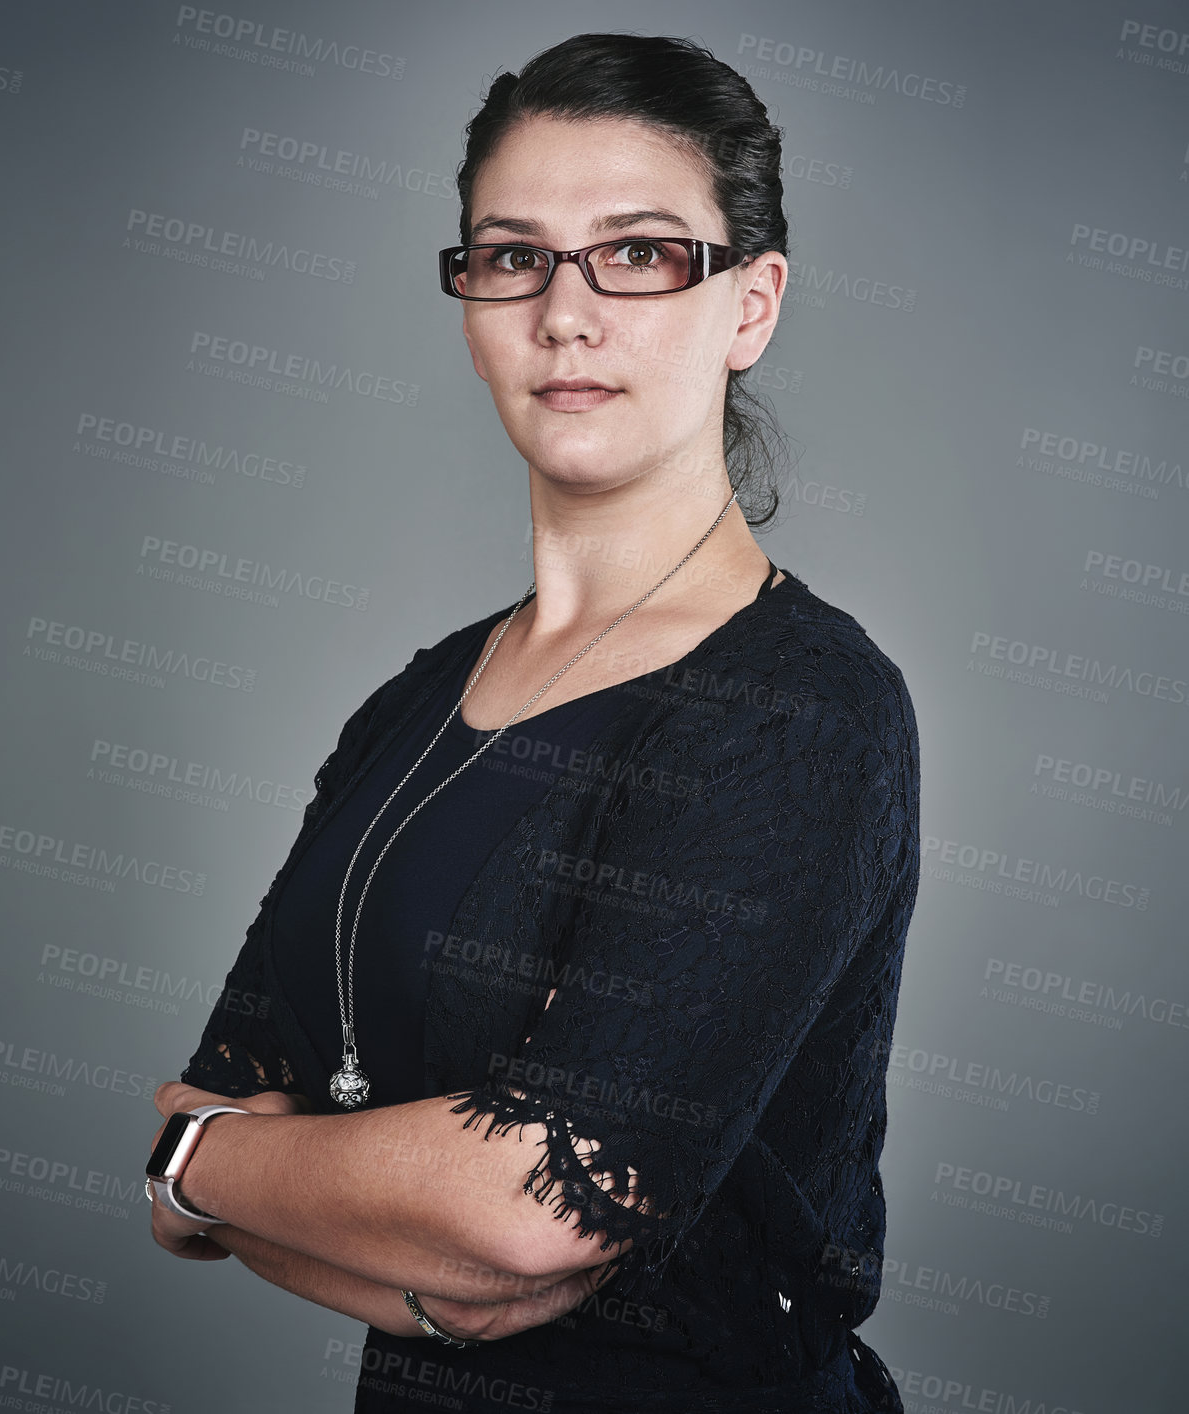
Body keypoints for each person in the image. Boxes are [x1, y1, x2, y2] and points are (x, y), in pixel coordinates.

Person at [144, 32, 919, 1414]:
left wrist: (212, 1166)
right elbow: (211, 1120)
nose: (565, 313)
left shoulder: (799, 712)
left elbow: (528, 1217)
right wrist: (247, 1179)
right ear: (468, 302)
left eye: (637, 253)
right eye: (512, 256)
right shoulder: (410, 700)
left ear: (749, 304)